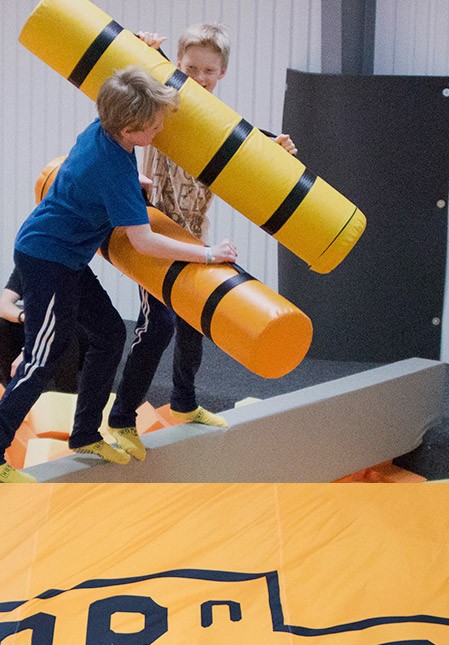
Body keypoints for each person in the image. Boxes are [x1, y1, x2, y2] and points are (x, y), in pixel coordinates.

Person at [0, 66, 236, 482]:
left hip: (69, 257)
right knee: (42, 359)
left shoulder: (104, 130)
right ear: (129, 129)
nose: (162, 128)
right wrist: (206, 253)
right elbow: (144, 241)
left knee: (109, 334)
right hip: (47, 259)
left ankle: (85, 433)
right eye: (155, 124)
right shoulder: (109, 163)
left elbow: (115, 160)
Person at [104, 24, 298, 460]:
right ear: (178, 64)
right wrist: (142, 50)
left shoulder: (221, 120)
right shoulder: (164, 101)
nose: (200, 76)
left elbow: (243, 143)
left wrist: (275, 147)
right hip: (153, 234)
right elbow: (129, 85)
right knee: (158, 326)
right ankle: (121, 418)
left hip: (193, 238)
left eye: (209, 70)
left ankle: (185, 403)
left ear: (222, 72)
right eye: (191, 67)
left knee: (192, 324)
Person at [0, 263, 82, 392]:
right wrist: (24, 317)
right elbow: (2, 306)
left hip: (70, 331)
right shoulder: (28, 262)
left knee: (62, 335)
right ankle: (12, 388)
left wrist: (26, 351)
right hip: (39, 328)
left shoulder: (67, 265)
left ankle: (65, 395)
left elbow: (56, 320)